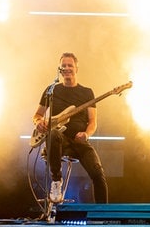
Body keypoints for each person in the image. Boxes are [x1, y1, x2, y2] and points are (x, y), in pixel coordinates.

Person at [32, 52, 108, 203]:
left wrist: (86, 134)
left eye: (70, 65)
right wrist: (38, 122)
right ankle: (56, 181)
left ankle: (102, 215)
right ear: (59, 69)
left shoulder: (87, 92)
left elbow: (93, 121)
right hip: (59, 141)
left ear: (76, 68)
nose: (67, 68)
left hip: (80, 142)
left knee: (98, 175)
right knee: (53, 134)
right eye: (64, 66)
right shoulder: (51, 90)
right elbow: (37, 115)